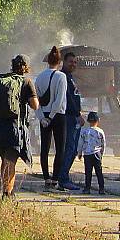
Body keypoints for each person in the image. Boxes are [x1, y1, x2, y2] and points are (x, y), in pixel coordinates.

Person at [0, 54, 39, 199]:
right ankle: (7, 194)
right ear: (26, 67)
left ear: (13, 65)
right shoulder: (26, 82)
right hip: (15, 128)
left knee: (5, 160)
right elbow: (35, 105)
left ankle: (6, 190)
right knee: (11, 161)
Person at [34, 47, 68, 189]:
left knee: (45, 148)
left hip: (44, 115)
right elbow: (59, 100)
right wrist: (52, 116)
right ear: (59, 62)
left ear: (47, 61)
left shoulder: (39, 77)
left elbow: (36, 100)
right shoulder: (61, 77)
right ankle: (55, 179)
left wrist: (42, 117)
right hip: (58, 115)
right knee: (60, 148)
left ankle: (46, 177)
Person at [57, 51, 84, 191]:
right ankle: (63, 178)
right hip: (68, 117)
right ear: (63, 62)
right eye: (70, 62)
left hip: (72, 117)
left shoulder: (71, 77)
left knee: (72, 149)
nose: (73, 64)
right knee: (70, 148)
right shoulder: (63, 78)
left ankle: (63, 176)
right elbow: (68, 98)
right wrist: (77, 114)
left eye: (75, 62)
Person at [77, 111, 106, 194]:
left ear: (88, 121)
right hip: (97, 153)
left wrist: (79, 153)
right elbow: (103, 143)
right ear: (98, 120)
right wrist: (102, 153)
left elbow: (80, 143)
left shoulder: (84, 131)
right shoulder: (100, 131)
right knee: (99, 172)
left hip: (87, 154)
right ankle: (101, 189)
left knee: (88, 172)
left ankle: (87, 188)